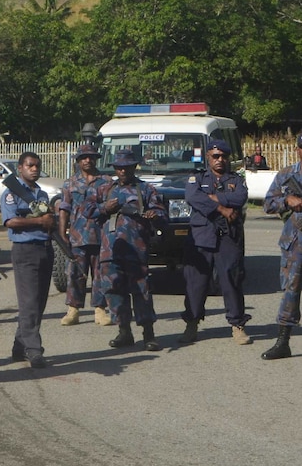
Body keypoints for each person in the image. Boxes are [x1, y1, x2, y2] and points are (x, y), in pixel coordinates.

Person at [89, 149, 167, 352]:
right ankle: (124, 331)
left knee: (142, 291)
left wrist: (153, 214)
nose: (123, 171)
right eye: (119, 167)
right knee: (114, 291)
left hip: (136, 249)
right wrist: (106, 208)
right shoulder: (105, 189)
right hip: (110, 250)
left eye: (127, 167)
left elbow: (161, 213)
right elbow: (87, 211)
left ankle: (148, 333)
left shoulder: (146, 189)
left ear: (134, 167)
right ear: (115, 169)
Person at [179, 139, 250, 345]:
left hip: (228, 237)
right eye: (215, 156)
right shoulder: (197, 178)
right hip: (202, 237)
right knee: (196, 283)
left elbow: (240, 197)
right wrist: (220, 207)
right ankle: (191, 324)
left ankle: (237, 325)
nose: (220, 160)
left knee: (231, 280)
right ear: (208, 157)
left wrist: (215, 198)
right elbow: (192, 197)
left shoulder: (236, 179)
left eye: (223, 156)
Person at [0, 152, 54, 369]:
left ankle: (19, 346)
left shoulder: (41, 194)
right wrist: (40, 220)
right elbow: (10, 221)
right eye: (30, 165)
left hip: (44, 248)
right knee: (29, 302)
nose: (34, 169)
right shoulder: (12, 193)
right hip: (25, 250)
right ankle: (34, 350)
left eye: (37, 166)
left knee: (39, 303)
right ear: (20, 168)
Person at [58, 144, 112, 326]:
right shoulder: (70, 183)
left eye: (91, 157)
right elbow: (64, 208)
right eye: (84, 157)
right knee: (75, 273)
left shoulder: (106, 181)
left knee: (100, 274)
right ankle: (73, 309)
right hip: (77, 235)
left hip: (100, 235)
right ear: (78, 161)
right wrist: (62, 232)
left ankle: (100, 309)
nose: (87, 160)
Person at [261, 135, 302, 360]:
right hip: (295, 242)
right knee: (291, 290)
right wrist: (287, 202)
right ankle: (283, 342)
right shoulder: (287, 175)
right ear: (298, 150)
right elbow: (267, 204)